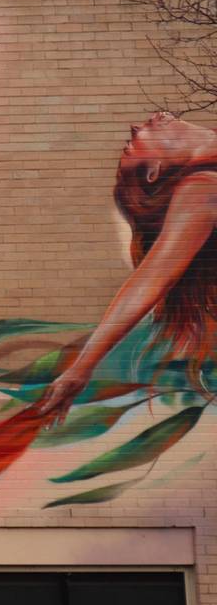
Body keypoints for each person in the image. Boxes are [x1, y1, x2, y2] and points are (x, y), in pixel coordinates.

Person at [38, 112, 217, 420]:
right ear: (154, 171)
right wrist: (81, 368)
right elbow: (153, 276)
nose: (136, 126)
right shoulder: (202, 190)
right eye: (131, 144)